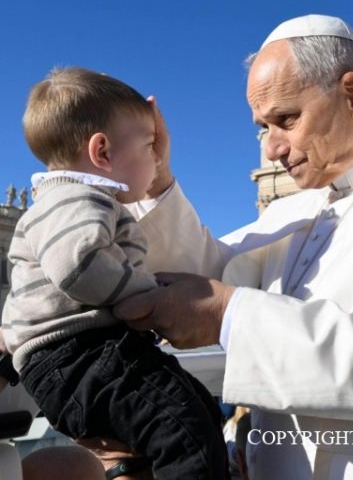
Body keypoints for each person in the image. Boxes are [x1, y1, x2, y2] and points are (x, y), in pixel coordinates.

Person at [113, 14, 353, 479]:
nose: (271, 148)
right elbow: (199, 280)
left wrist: (230, 315)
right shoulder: (292, 212)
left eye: (286, 120)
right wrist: (155, 181)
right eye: (264, 127)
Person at [1, 68, 227, 479]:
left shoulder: (71, 202)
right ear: (102, 152)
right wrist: (150, 296)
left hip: (82, 357)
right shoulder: (77, 199)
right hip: (80, 356)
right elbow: (78, 266)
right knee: (184, 434)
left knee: (199, 410)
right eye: (149, 147)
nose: (157, 160)